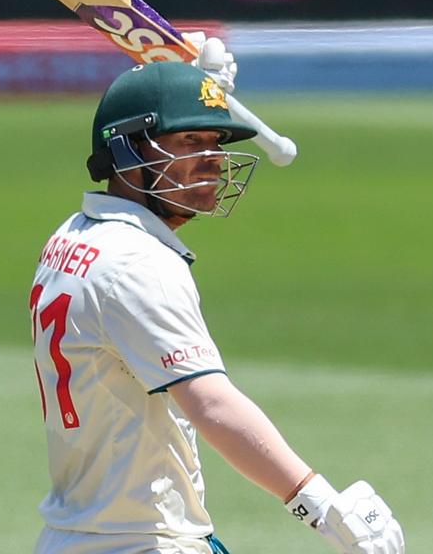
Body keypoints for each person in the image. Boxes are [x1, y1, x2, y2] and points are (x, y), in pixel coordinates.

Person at [29, 51, 406, 554]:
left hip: (74, 534)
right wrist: (320, 505)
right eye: (189, 140)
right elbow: (211, 403)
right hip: (145, 540)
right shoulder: (138, 264)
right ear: (125, 152)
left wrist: (185, 88)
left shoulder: (72, 238)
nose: (211, 158)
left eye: (215, 140)